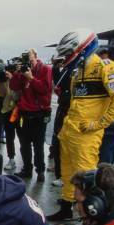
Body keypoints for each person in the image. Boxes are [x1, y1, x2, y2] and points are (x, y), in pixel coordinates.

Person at [47, 30, 114, 221]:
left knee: (86, 178)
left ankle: (89, 218)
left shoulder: (105, 66)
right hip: (70, 133)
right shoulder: (77, 71)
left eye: (69, 53)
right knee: (68, 174)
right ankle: (66, 208)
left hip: (87, 136)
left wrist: (99, 123)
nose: (67, 57)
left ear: (82, 49)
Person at [9, 49, 53, 183]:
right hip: (24, 113)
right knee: (24, 144)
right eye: (25, 59)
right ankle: (27, 169)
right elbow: (14, 87)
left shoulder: (45, 69)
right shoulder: (22, 71)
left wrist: (30, 78)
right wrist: (17, 73)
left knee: (38, 145)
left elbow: (44, 89)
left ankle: (40, 171)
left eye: (30, 58)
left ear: (36, 56)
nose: (28, 62)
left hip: (39, 114)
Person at [48, 58, 72, 187]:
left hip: (72, 114)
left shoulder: (76, 69)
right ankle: (60, 174)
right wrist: (56, 67)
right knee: (58, 143)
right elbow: (58, 83)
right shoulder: (68, 70)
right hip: (63, 110)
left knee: (67, 147)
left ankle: (65, 176)